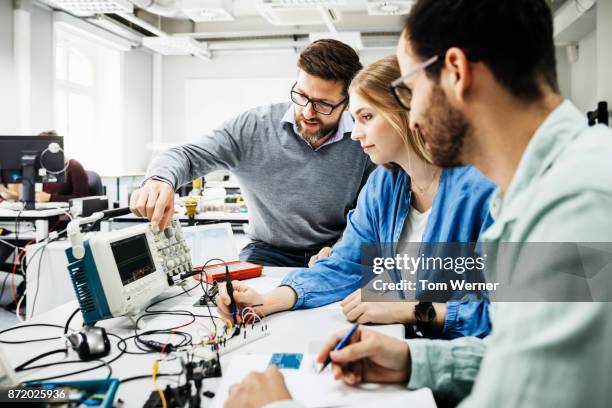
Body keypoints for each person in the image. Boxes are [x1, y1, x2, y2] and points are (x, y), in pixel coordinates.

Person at [224, 0, 612, 407]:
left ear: (457, 73)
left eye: (409, 90)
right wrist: (413, 360)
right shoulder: (541, 189)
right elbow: (523, 358)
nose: (412, 115)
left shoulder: (577, 206)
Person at [216, 56, 495, 340]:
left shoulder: (484, 190)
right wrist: (266, 302)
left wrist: (412, 309)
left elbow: (507, 314)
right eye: (355, 119)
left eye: (366, 117)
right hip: (405, 345)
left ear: (409, 111)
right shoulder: (384, 185)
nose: (355, 133)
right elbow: (346, 265)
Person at [130, 39, 373, 268]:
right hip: (266, 250)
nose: (307, 112)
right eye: (301, 96)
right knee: (233, 304)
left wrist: (344, 248)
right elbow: (187, 155)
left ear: (347, 102)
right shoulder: (254, 127)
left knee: (350, 310)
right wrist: (159, 179)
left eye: (323, 104)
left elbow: (376, 215)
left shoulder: (365, 140)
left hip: (337, 249)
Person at [0, 130, 89, 203]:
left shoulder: (73, 166)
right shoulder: (42, 167)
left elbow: (83, 198)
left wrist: (51, 198)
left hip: (65, 216)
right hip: (45, 211)